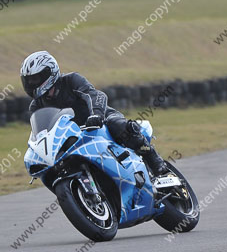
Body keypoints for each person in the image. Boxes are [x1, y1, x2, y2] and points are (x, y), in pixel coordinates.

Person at [20, 51, 169, 177]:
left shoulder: (71, 80)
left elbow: (96, 95)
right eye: (28, 80)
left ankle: (154, 160)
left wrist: (96, 115)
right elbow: (41, 132)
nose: (31, 83)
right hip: (72, 137)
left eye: (35, 78)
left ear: (49, 72)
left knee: (118, 125)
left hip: (99, 121)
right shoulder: (36, 106)